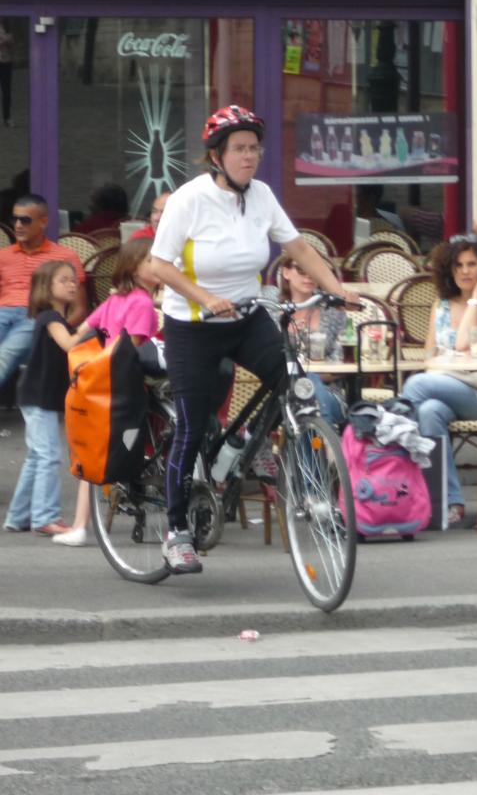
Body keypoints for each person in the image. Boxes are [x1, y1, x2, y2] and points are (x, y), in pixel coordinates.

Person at [149, 104, 358, 575]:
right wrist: (205, 296)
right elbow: (157, 267)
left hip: (246, 316)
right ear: (217, 156)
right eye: (239, 149)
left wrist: (335, 289)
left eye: (254, 148)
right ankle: (177, 531)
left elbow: (298, 247)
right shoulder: (189, 199)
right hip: (193, 326)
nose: (250, 157)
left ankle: (306, 490)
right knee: (189, 424)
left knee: (296, 386)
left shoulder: (261, 195)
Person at [55, 237, 163, 547]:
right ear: (134, 268)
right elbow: (131, 348)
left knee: (94, 451)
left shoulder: (114, 302)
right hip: (127, 385)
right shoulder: (141, 303)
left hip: (103, 382)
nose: (158, 266)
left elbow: (79, 334)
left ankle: (79, 525)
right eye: (151, 261)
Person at [400, 235, 477, 528]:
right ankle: (450, 502)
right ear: (449, 270)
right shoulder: (441, 305)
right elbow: (429, 354)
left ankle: (400, 461)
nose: (465, 271)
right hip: (444, 386)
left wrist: (476, 297)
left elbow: (463, 341)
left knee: (414, 387)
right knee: (427, 411)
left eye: (472, 264)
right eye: (458, 265)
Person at [3, 261, 80, 536]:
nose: (72, 284)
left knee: (37, 456)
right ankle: (45, 516)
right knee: (49, 455)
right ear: (45, 289)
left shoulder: (55, 320)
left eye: (73, 280)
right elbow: (69, 345)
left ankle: (18, 515)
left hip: (36, 395)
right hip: (38, 396)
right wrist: (94, 327)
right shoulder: (50, 318)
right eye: (64, 280)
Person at [0, 194, 87, 388]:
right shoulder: (3, 256)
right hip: (3, 312)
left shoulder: (64, 257)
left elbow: (80, 308)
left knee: (6, 353)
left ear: (43, 222)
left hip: (37, 316)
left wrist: (53, 330)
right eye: (15, 219)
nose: (18, 225)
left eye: (25, 220)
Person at [263, 255, 346, 427]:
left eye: (314, 270)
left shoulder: (333, 312)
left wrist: (305, 377)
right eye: (301, 270)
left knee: (310, 384)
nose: (308, 276)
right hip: (280, 389)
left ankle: (323, 449)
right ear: (286, 273)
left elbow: (339, 365)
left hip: (327, 390)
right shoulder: (272, 310)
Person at [0, 19, 14, 128]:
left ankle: (6, 118)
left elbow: (11, 42)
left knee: (7, 92)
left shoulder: (7, 28)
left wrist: (7, 41)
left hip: (6, 62)